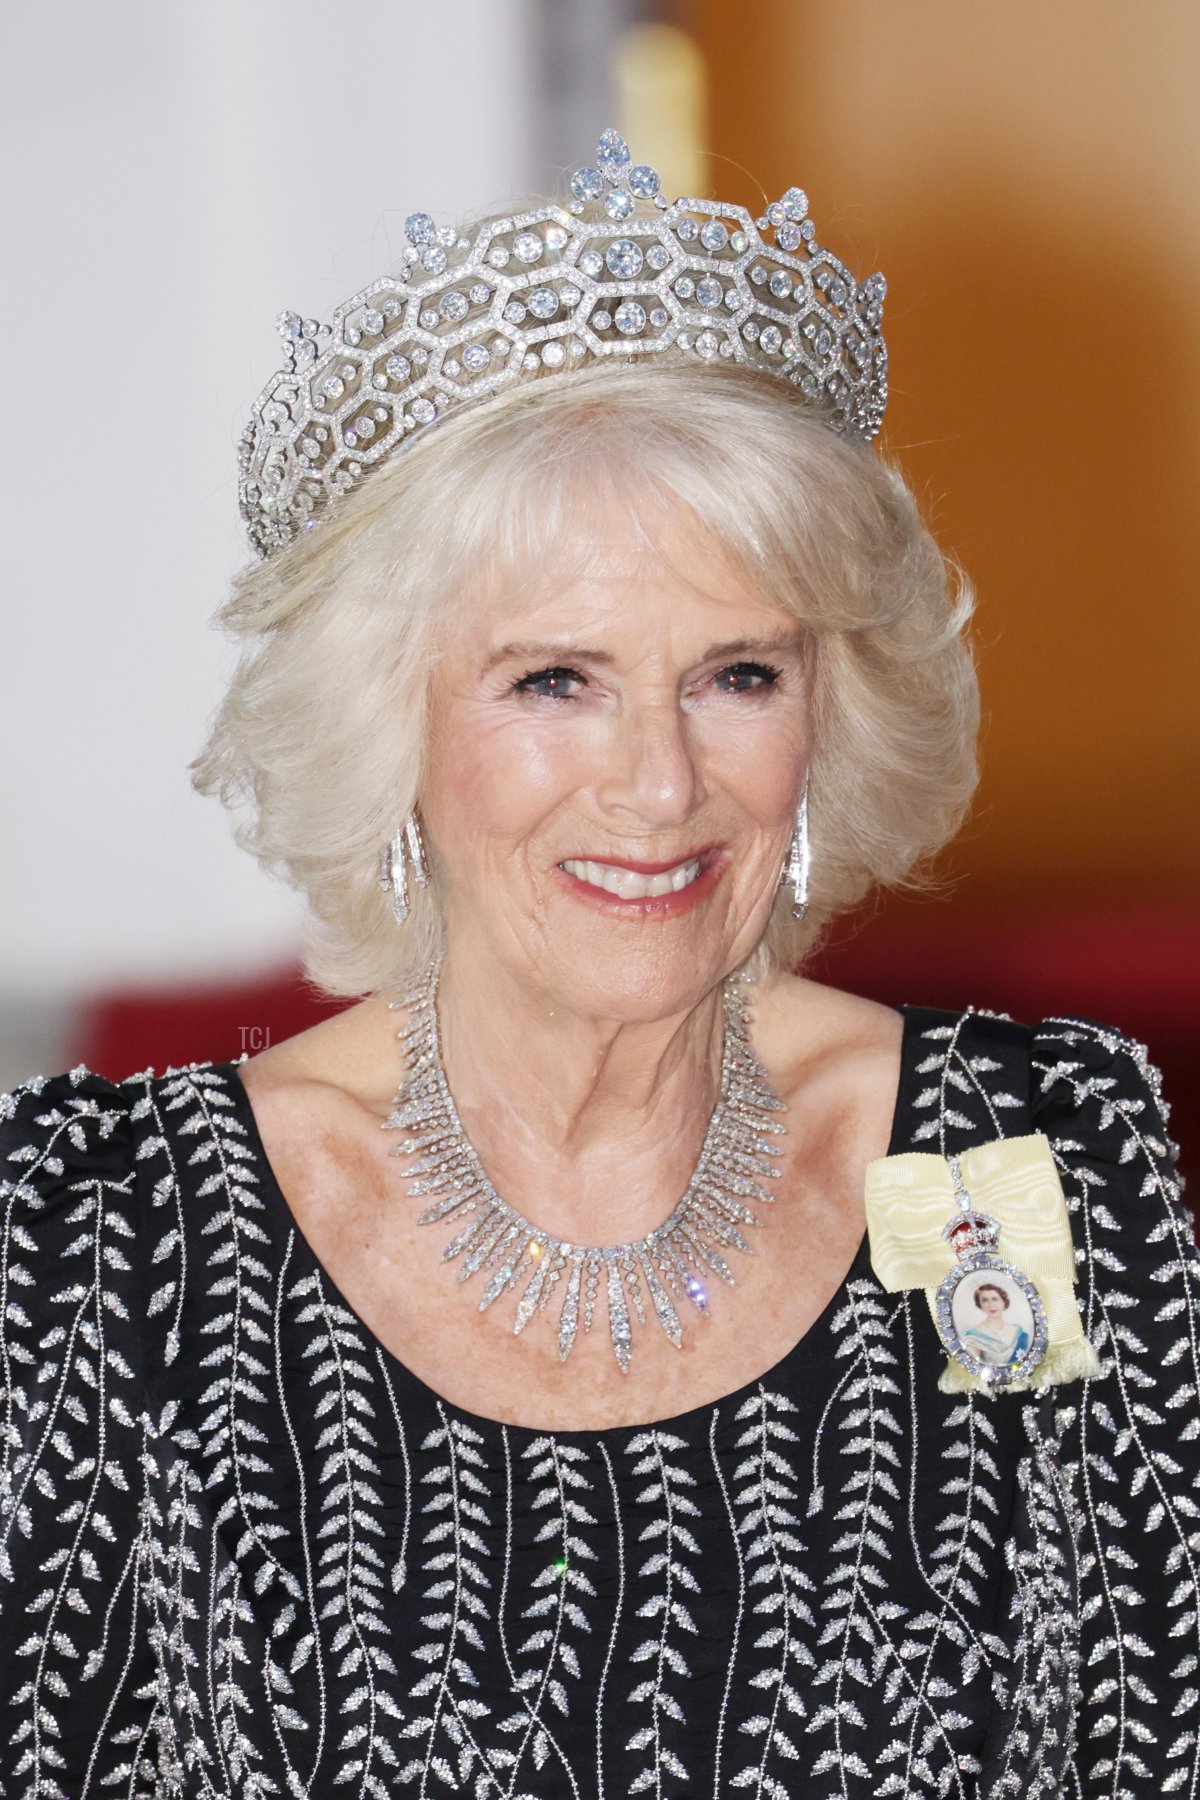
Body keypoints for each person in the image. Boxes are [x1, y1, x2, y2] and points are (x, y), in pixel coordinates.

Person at [1, 130, 1195, 1799]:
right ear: (390, 728)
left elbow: (1140, 1725)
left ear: (825, 711)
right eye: (554, 680)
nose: (657, 783)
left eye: (737, 676)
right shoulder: (107, 1237)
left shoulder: (1001, 1165)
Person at [959, 1281, 1031, 1368]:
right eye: (985, 1300)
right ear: (980, 1304)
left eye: (995, 1299)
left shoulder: (1019, 1333)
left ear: (1003, 1302)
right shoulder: (974, 1336)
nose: (991, 1304)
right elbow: (973, 1367)